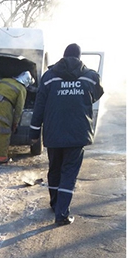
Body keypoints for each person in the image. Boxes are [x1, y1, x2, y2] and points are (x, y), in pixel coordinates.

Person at [29, 43, 104, 226]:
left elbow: (39, 106)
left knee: (54, 170)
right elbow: (97, 93)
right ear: (79, 58)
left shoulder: (49, 77)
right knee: (68, 174)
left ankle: (55, 204)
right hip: (77, 134)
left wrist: (34, 131)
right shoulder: (91, 77)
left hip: (53, 133)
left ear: (63, 56)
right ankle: (61, 214)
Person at [0, 71, 35, 163]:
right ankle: (1, 158)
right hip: (4, 109)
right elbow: (19, 108)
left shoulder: (4, 80)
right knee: (4, 133)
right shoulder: (22, 89)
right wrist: (15, 122)